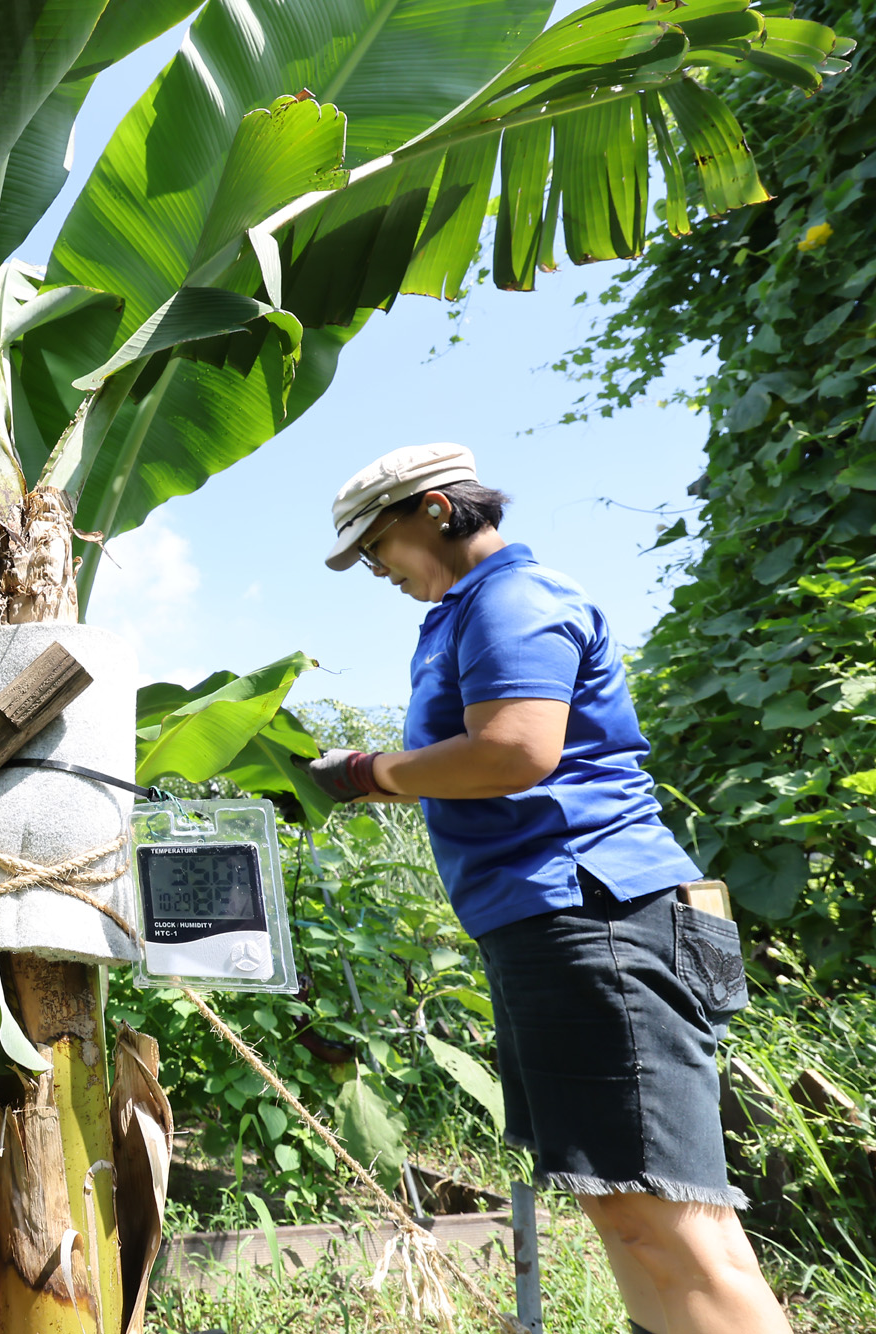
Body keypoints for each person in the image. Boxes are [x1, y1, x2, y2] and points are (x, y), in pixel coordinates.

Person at [302, 444, 784, 1334]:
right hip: (563, 922)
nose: (377, 570)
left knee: (666, 1220)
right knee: (631, 1213)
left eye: (377, 548)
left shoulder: (514, 599)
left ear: (437, 511)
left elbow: (517, 750)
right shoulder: (464, 614)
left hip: (595, 917)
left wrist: (372, 772)